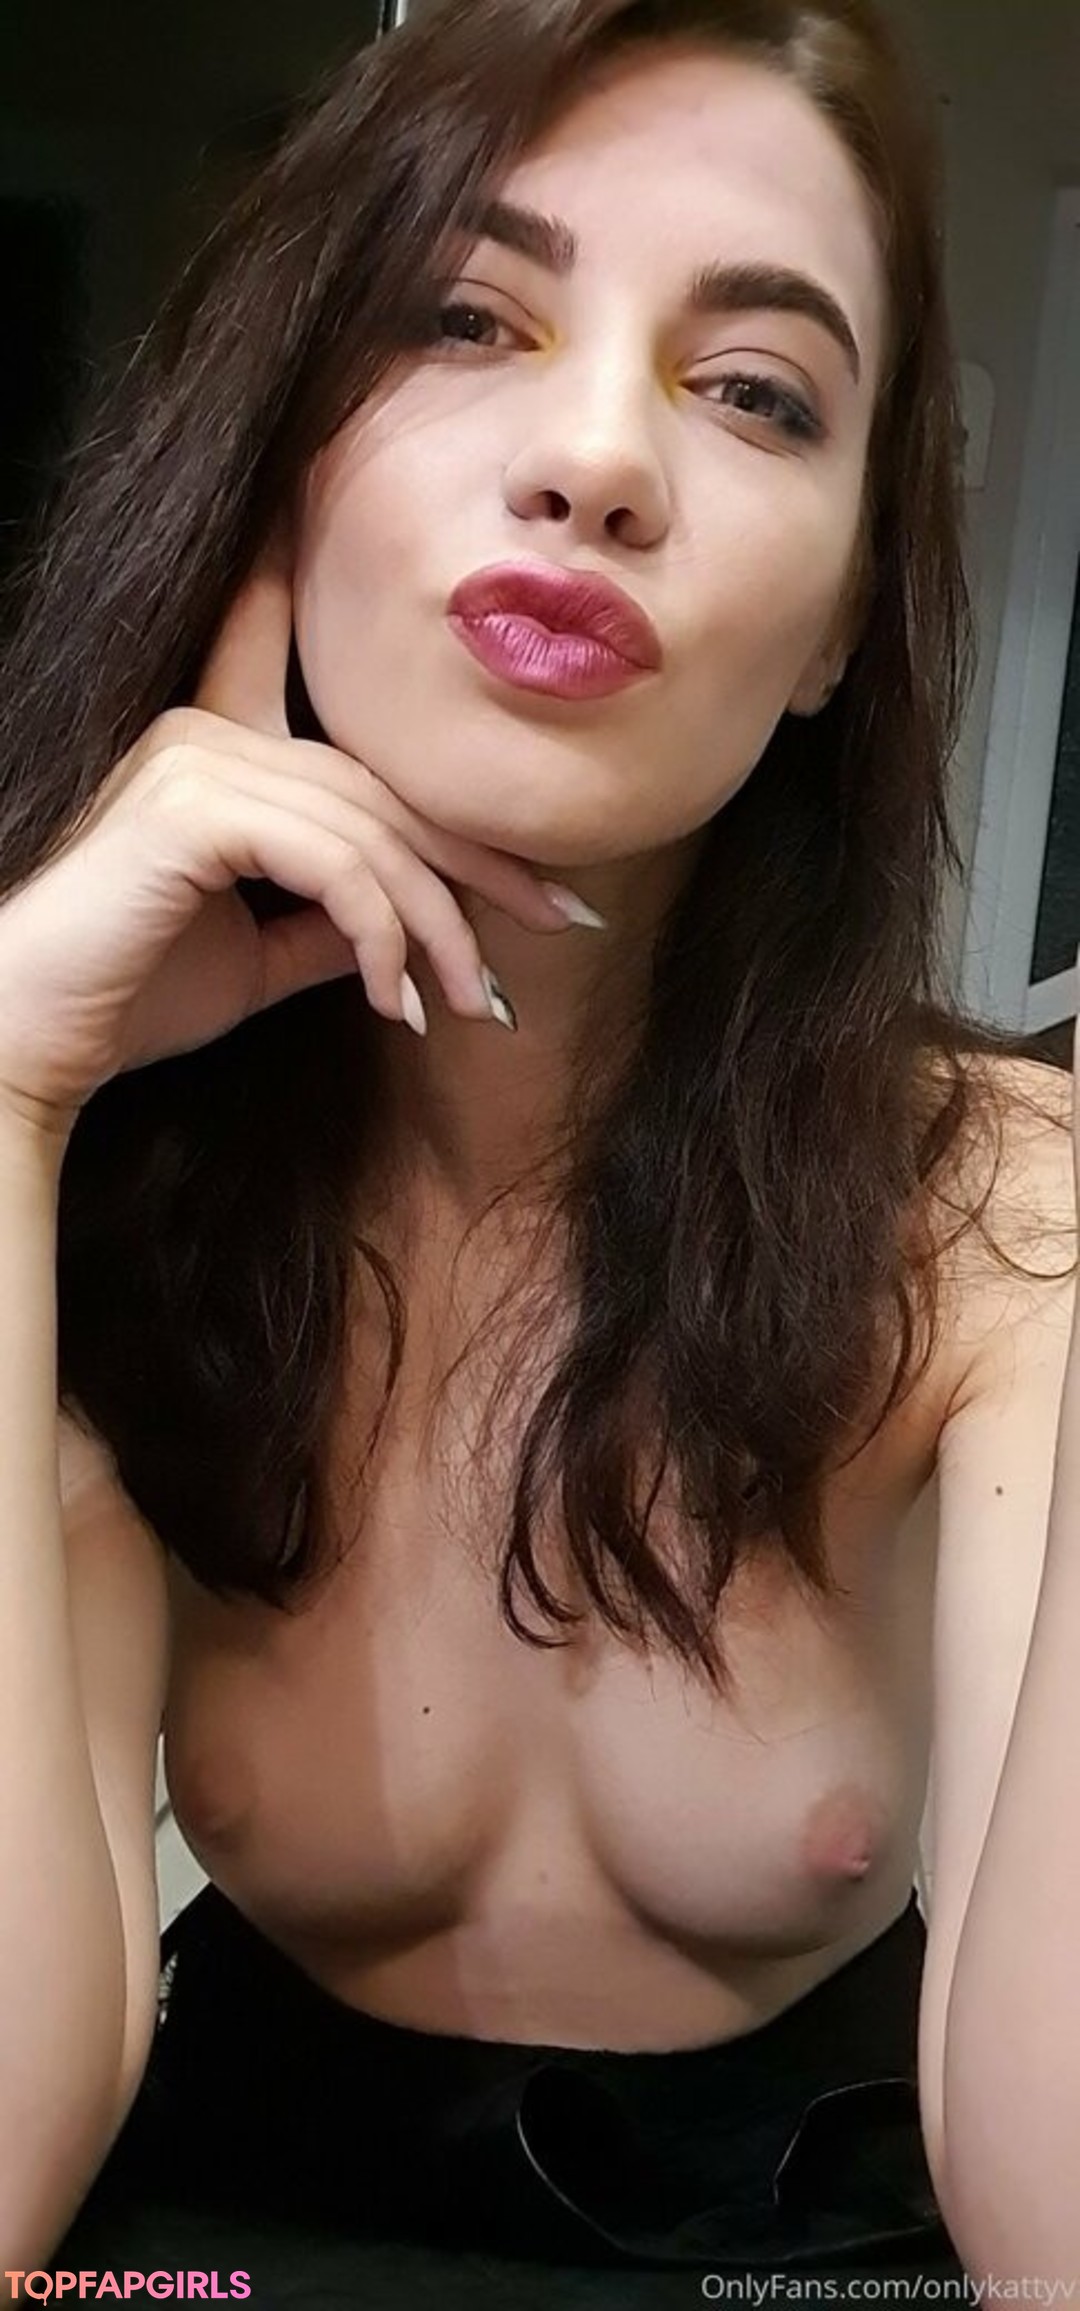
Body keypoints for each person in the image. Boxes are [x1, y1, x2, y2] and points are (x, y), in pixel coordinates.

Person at [0, 0, 1076, 2301]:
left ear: (836, 630)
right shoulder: (104, 1187)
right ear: (285, 476)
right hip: (231, 2228)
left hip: (809, 2234)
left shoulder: (996, 1221)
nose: (597, 460)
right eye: (469, 321)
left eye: (756, 391)